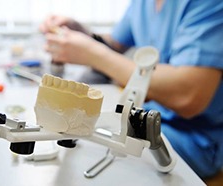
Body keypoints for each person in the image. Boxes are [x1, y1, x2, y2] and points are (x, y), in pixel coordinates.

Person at [39, 0, 223, 178]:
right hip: (144, 117)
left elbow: (188, 96)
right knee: (74, 147)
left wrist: (93, 53)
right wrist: (82, 33)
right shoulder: (142, 3)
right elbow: (114, 45)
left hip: (195, 139)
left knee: (87, 158)